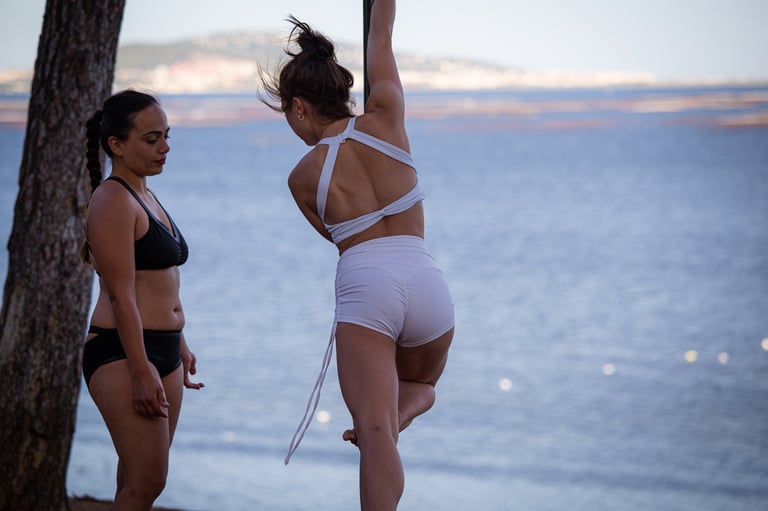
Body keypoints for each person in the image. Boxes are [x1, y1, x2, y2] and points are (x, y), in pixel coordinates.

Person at [261, 1, 455, 509]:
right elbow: (381, 35)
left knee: (373, 432)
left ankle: (383, 428)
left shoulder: (302, 178)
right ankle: (396, 417)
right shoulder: (387, 116)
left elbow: (344, 241)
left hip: (368, 282)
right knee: (422, 384)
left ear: (299, 107)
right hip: (427, 279)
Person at [81, 89, 203, 511]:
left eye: (166, 136)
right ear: (116, 145)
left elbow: (158, 283)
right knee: (148, 481)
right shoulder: (112, 199)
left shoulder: (145, 195)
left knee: (136, 483)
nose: (164, 147)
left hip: (163, 351)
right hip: (123, 352)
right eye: (152, 139)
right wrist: (140, 369)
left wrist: (179, 342)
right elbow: (121, 296)